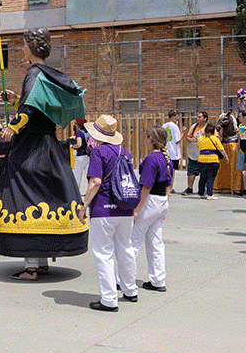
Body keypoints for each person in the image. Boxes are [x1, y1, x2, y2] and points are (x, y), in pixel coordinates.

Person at [0, 28, 87, 280]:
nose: (22, 48)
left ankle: (32, 266)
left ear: (33, 46)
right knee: (44, 194)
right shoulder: (45, 75)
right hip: (48, 144)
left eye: (24, 44)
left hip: (31, 146)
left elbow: (31, 108)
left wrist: (13, 125)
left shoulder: (33, 74)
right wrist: (15, 101)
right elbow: (37, 106)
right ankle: (42, 260)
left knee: (21, 194)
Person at [78, 115, 132, 312]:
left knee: (104, 253)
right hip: (125, 207)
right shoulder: (125, 151)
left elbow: (95, 182)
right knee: (125, 248)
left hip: (104, 207)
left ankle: (109, 299)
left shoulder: (98, 152)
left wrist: (84, 205)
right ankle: (130, 289)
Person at [128, 125, 174, 297]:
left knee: (134, 241)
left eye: (146, 136)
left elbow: (146, 186)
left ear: (151, 139)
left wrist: (136, 210)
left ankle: (123, 278)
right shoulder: (166, 158)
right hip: (162, 200)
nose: (145, 140)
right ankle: (158, 280)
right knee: (155, 242)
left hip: (150, 201)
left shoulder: (151, 159)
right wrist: (165, 200)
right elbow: (170, 182)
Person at [197, 123, 228, 199]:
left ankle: (200, 193)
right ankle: (209, 194)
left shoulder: (200, 138)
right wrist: (226, 157)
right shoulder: (215, 139)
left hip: (201, 160)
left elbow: (198, 147)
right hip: (213, 160)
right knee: (211, 178)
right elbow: (221, 149)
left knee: (202, 178)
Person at [181, 111, 208, 195]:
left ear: (205, 118)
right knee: (191, 170)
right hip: (194, 152)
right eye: (197, 117)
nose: (198, 118)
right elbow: (188, 137)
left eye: (200, 117)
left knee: (205, 171)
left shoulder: (208, 127)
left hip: (204, 152)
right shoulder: (194, 126)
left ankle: (205, 189)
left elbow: (215, 137)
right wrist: (191, 139)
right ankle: (189, 188)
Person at [71, 118, 91, 194]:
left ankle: (75, 193)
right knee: (88, 175)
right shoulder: (88, 132)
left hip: (80, 156)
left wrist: (72, 146)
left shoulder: (79, 133)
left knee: (77, 175)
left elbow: (79, 144)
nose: (75, 125)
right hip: (88, 155)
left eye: (76, 123)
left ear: (79, 124)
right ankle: (90, 192)